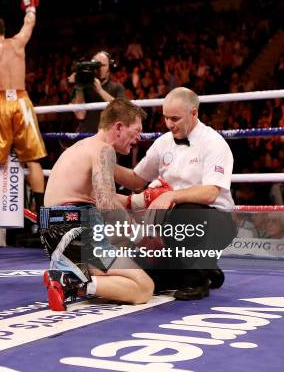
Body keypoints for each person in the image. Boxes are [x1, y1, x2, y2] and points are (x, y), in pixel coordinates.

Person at [115, 87, 236, 300]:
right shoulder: (163, 142)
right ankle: (203, 267)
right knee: (150, 278)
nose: (169, 124)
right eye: (165, 117)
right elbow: (136, 179)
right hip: (169, 224)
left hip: (214, 220)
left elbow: (210, 192)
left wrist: (171, 195)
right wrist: (102, 162)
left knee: (186, 212)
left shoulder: (214, 143)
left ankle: (196, 281)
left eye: (175, 118)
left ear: (194, 113)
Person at [41, 98, 155, 311]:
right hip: (80, 227)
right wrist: (139, 235)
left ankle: (72, 276)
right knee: (145, 288)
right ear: (119, 127)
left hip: (54, 229)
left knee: (119, 249)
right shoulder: (104, 151)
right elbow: (105, 203)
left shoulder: (81, 147)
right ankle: (71, 283)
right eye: (136, 130)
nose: (138, 137)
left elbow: (105, 195)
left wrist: (135, 203)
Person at [0, 0, 47, 222]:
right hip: (23, 101)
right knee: (33, 159)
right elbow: (29, 23)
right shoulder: (18, 42)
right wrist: (31, 7)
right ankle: (42, 209)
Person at [72, 51, 126, 133]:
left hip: (109, 137)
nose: (99, 68)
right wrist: (79, 88)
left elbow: (122, 111)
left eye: (103, 65)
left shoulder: (117, 87)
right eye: (96, 65)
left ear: (109, 68)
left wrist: (100, 90)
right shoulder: (83, 87)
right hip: (87, 136)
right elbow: (80, 115)